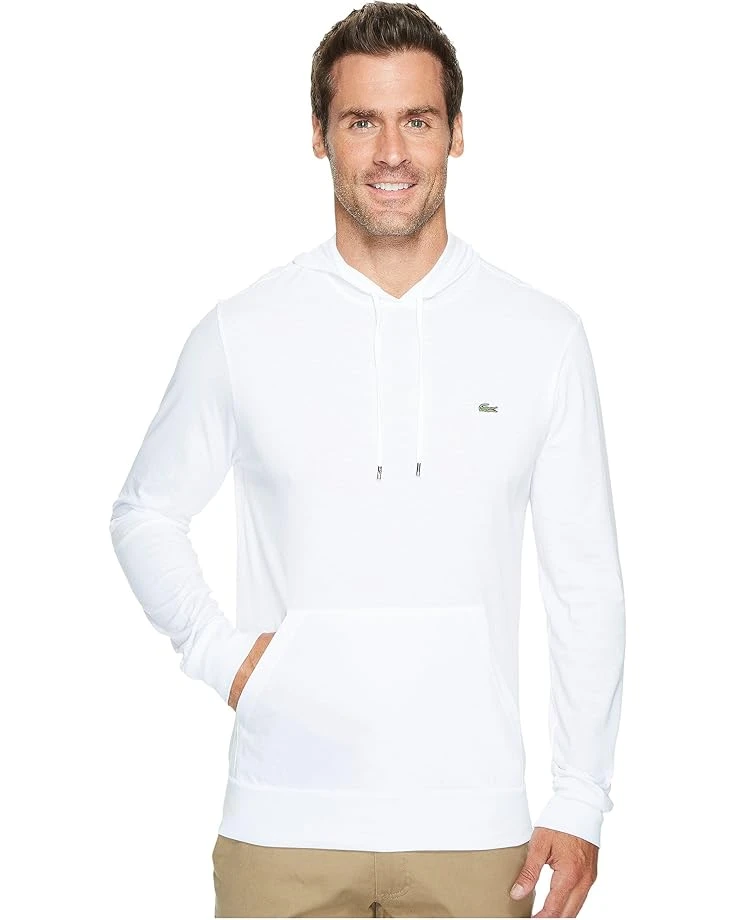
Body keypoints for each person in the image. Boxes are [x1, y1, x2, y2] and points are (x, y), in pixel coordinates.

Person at [109, 3, 626, 917]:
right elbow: (146, 512)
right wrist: (220, 655)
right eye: (361, 122)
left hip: (476, 831)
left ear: (456, 132)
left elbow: (583, 580)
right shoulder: (242, 331)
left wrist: (580, 795)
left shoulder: (542, 337)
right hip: (281, 827)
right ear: (319, 135)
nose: (392, 153)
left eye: (416, 120)